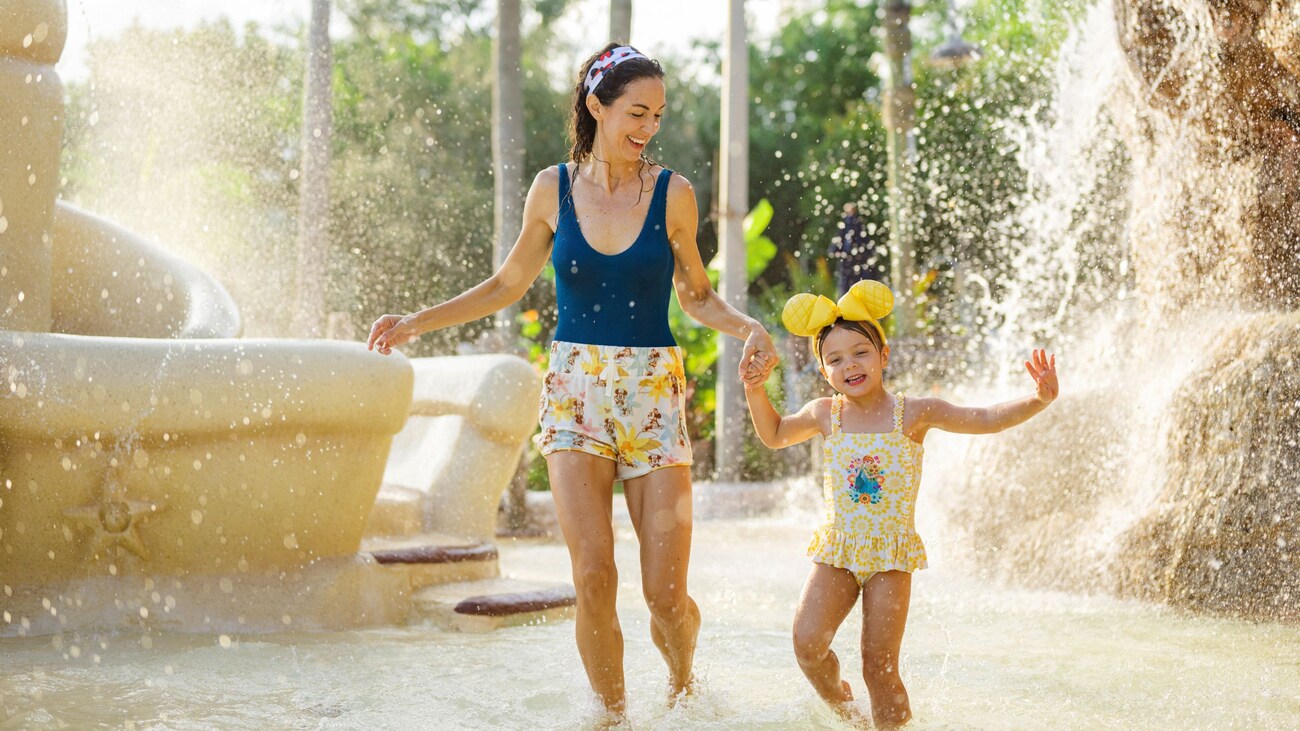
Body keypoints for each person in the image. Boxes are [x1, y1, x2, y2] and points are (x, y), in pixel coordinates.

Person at [367, 43, 778, 722]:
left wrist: (749, 327)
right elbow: (506, 283)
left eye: (658, 115)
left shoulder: (672, 193)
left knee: (665, 595)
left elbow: (697, 295)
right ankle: (611, 716)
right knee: (593, 576)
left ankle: (681, 686)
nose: (648, 127)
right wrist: (418, 321)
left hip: (652, 394)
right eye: (635, 112)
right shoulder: (550, 189)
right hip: (574, 396)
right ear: (596, 106)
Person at [741, 280, 1058, 728]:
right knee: (806, 642)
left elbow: (984, 419)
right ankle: (845, 707)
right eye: (835, 359)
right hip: (839, 549)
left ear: (883, 355)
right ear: (823, 370)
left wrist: (1038, 399)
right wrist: (756, 389)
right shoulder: (823, 414)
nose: (849, 364)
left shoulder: (914, 413)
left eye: (860, 352)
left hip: (891, 556)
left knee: (879, 665)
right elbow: (773, 435)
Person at [827, 203, 883, 297]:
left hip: (855, 261)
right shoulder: (850, 224)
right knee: (853, 286)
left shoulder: (853, 224)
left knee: (850, 287)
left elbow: (863, 240)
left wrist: (835, 251)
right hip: (852, 262)